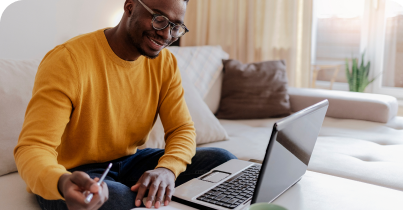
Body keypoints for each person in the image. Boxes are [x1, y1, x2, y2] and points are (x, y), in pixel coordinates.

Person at [13, 0, 236, 209]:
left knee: (224, 162)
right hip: (71, 175)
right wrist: (61, 182)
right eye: (159, 19)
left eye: (176, 27)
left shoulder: (165, 63)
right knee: (117, 199)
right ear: (130, 7)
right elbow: (33, 148)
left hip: (128, 162)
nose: (166, 34)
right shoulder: (68, 60)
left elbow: (181, 129)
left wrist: (167, 169)